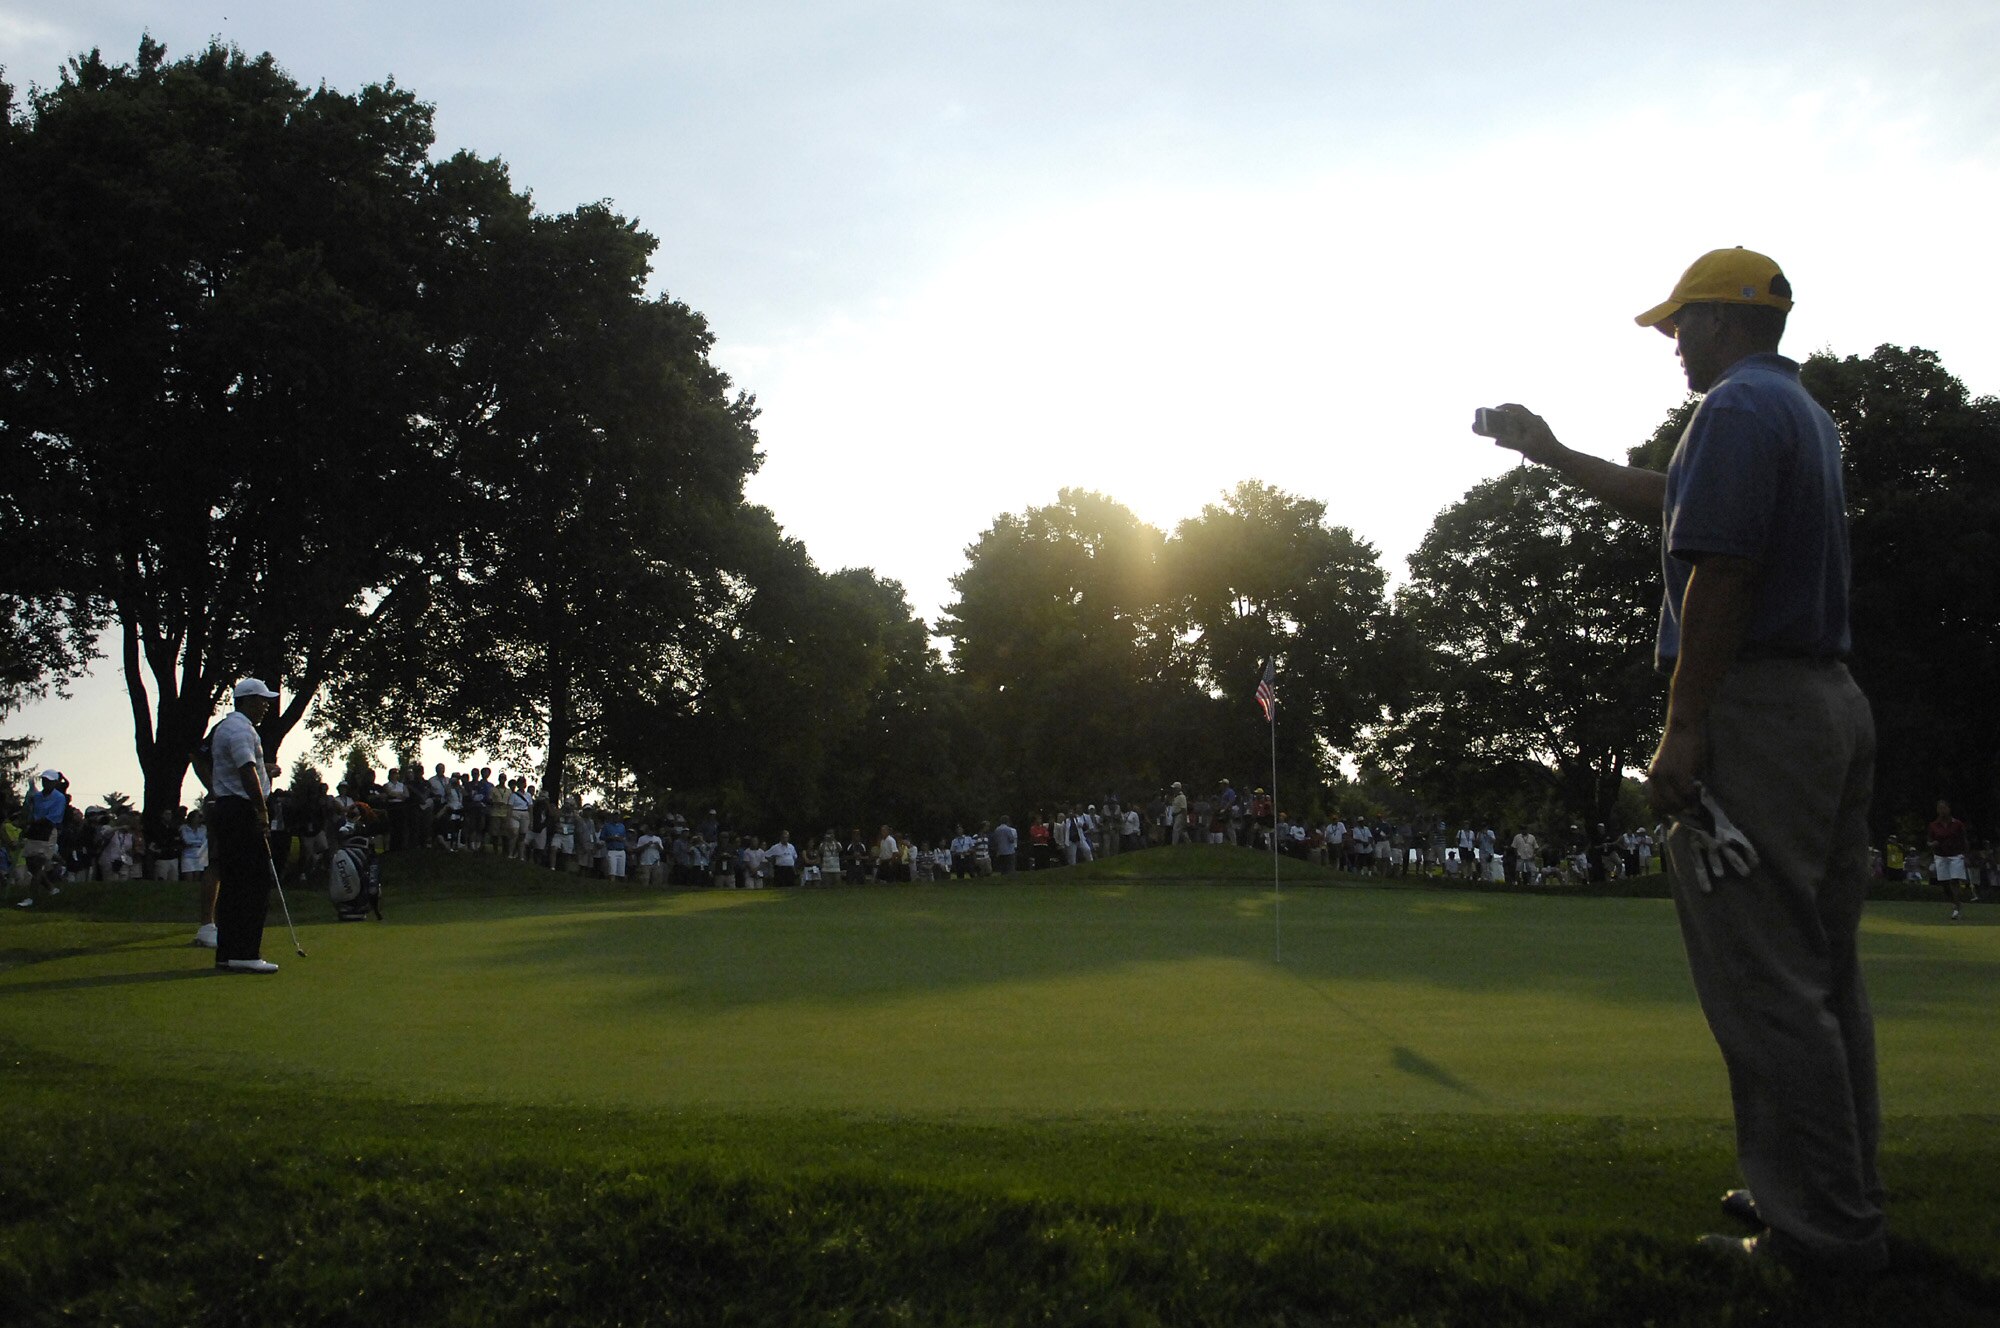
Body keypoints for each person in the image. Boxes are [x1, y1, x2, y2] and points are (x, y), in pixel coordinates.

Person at [1487, 247, 1884, 1271]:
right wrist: (1551, 452)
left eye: (1678, 324)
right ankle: (1828, 1192)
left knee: (1763, 977)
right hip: (1825, 702)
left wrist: (1682, 724)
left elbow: (1719, 568)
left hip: (1757, 705)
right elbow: (1672, 501)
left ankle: (1815, 1233)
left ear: (1718, 321)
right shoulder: (1791, 411)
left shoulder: (1733, 412)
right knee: (1818, 972)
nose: (1668, 341)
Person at [207, 679, 284, 973]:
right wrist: (261, 812)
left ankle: (228, 952)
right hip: (241, 811)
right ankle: (245, 952)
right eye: (262, 700)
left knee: (234, 883)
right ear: (247, 700)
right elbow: (246, 770)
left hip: (230, 809)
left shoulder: (228, 727)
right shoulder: (240, 729)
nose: (266, 706)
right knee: (253, 882)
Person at [1927, 800, 1973, 921]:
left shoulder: (1957, 824)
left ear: (1949, 809)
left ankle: (1956, 909)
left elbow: (1965, 840)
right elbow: (1929, 841)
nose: (1942, 811)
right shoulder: (1933, 825)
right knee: (1944, 883)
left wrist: (1966, 856)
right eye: (1939, 808)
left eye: (1944, 808)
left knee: (1954, 880)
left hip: (1956, 855)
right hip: (1941, 856)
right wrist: (1932, 844)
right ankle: (1955, 902)